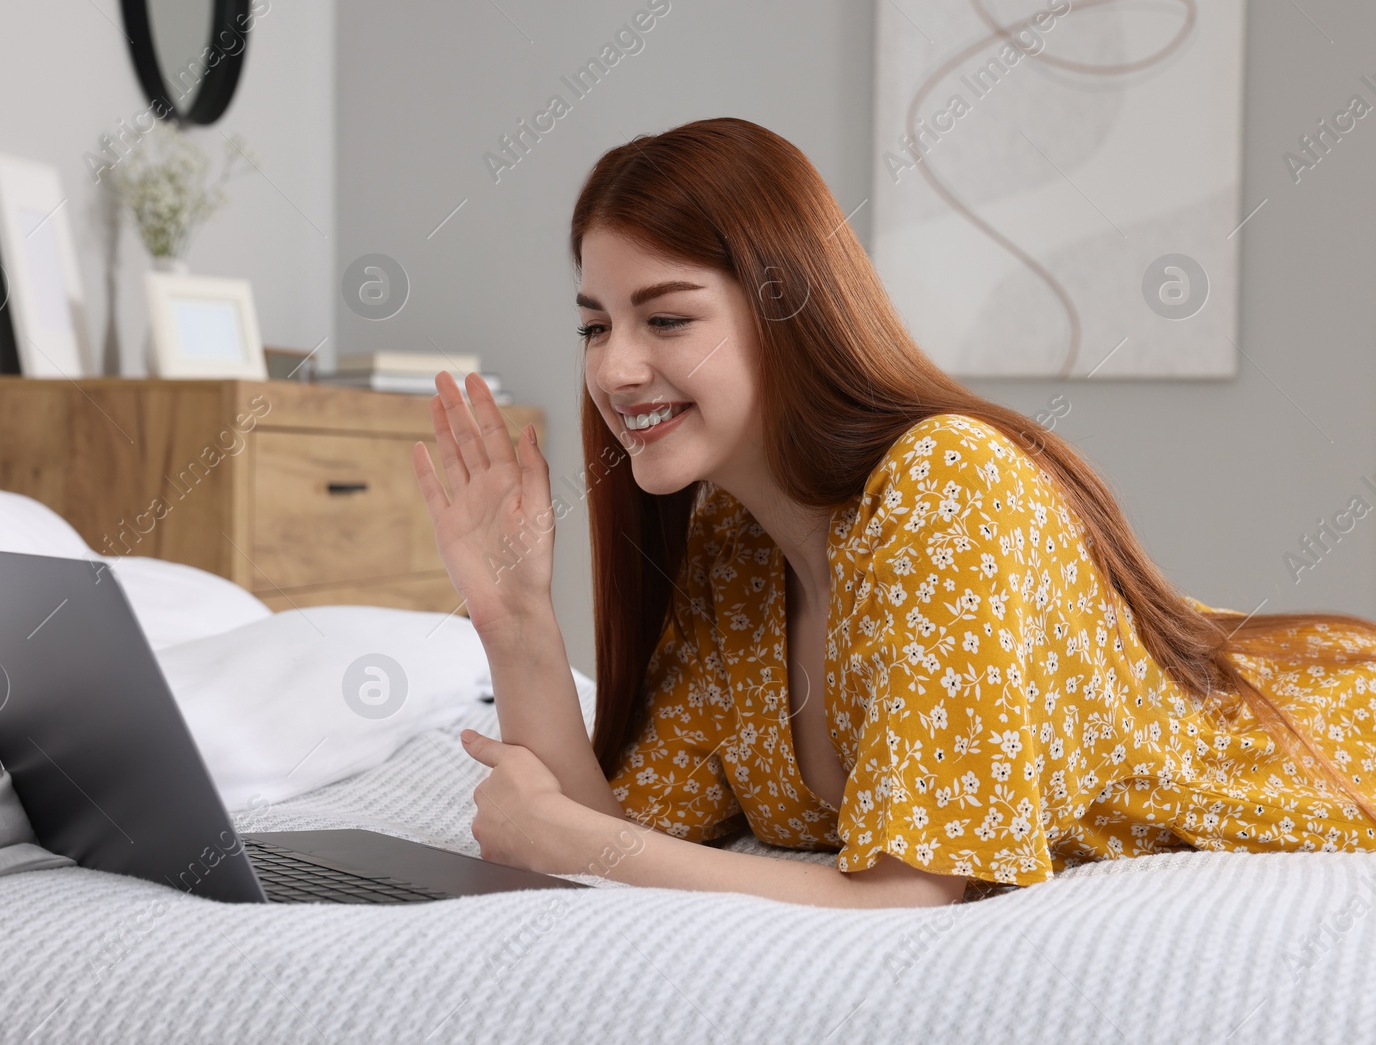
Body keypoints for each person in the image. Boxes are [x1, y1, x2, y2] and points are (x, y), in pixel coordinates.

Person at [410, 116, 1376, 909]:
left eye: (666, 318)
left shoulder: (947, 485)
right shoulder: (733, 550)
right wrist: (513, 613)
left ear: (789, 312)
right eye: (593, 326)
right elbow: (613, 835)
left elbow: (907, 903)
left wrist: (580, 842)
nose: (614, 368)